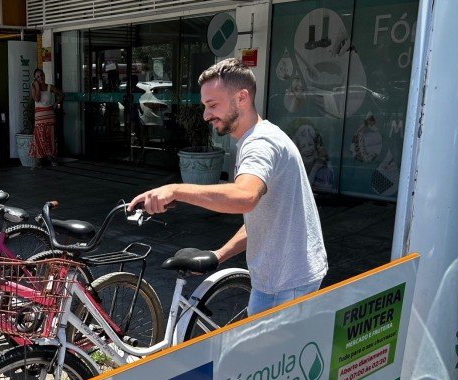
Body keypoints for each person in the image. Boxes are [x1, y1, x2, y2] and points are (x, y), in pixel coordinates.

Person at [129, 57, 327, 319]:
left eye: (213, 105)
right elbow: (266, 218)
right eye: (204, 106)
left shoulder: (260, 144)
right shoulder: (260, 136)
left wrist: (176, 190)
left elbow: (245, 198)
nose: (206, 115)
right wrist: (220, 255)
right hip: (284, 278)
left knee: (263, 358)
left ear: (242, 97)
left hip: (286, 285)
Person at [29, 68, 63, 169]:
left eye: (41, 75)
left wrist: (56, 104)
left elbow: (61, 94)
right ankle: (39, 159)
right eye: (38, 77)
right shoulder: (34, 87)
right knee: (39, 138)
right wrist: (37, 86)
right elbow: (37, 99)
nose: (40, 78)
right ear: (35, 79)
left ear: (44, 75)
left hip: (49, 116)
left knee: (50, 137)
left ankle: (52, 158)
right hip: (39, 117)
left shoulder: (49, 87)